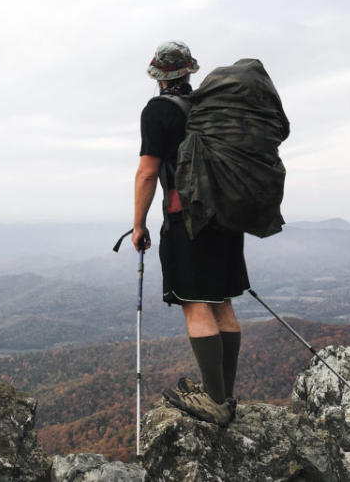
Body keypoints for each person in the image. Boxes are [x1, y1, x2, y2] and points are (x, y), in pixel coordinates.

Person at [131, 41, 249, 426]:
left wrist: (139, 223)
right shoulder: (209, 108)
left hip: (188, 219)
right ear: (189, 71)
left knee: (196, 304)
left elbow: (148, 172)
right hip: (227, 217)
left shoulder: (158, 111)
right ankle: (225, 395)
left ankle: (215, 401)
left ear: (158, 76)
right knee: (222, 303)